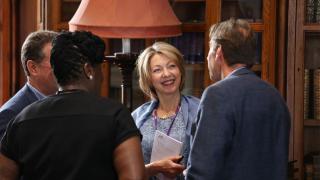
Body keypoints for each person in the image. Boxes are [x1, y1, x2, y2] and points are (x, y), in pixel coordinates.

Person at [0, 31, 146, 180]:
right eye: (100, 69)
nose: (102, 77)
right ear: (89, 70)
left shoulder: (21, 120)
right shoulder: (116, 116)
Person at [185, 18, 291, 180]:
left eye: (209, 49)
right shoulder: (275, 97)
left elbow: (202, 172)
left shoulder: (217, 95)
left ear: (218, 51)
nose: (207, 57)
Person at [132, 42, 200, 179]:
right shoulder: (137, 117)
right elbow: (128, 168)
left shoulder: (199, 109)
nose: (166, 74)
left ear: (180, 70)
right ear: (148, 78)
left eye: (172, 66)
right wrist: (154, 168)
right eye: (157, 70)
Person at [0, 30, 58, 138]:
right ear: (33, 68)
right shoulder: (10, 115)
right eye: (55, 61)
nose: (63, 67)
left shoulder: (68, 103)